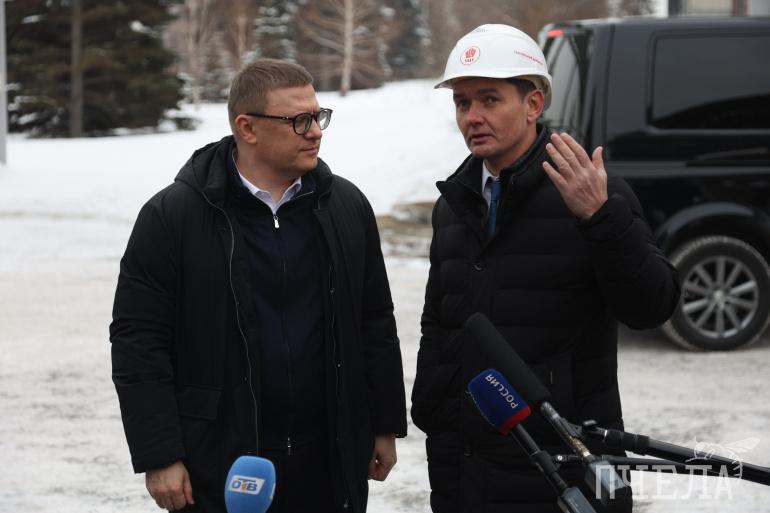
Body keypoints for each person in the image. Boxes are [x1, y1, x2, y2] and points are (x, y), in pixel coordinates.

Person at [110, 58, 407, 513]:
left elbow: (374, 321)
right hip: (217, 463)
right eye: (299, 120)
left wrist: (383, 423)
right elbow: (139, 341)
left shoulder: (345, 206)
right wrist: (160, 453)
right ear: (247, 128)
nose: (315, 132)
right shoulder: (172, 216)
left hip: (327, 462)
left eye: (318, 116)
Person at [411, 24, 681, 513]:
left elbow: (652, 306)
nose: (472, 117)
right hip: (463, 464)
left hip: (561, 462)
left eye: (490, 100)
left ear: (533, 104)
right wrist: (432, 408)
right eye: (462, 102)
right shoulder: (454, 203)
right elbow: (440, 321)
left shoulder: (593, 193)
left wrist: (601, 219)